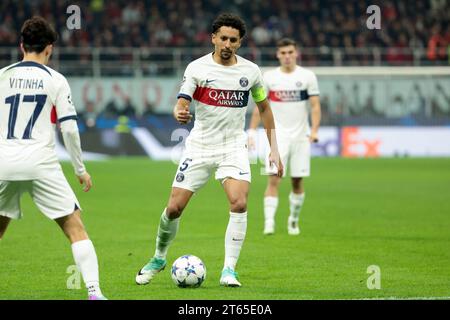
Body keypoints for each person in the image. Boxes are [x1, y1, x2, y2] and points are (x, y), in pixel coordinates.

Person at [136, 13, 283, 287]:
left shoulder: (251, 72)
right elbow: (182, 101)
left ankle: (229, 269)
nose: (227, 44)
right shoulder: (197, 68)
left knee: (239, 203)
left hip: (233, 147)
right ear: (213, 38)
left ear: (240, 43)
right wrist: (180, 112)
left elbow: (264, 107)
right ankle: (158, 256)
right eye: (223, 38)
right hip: (200, 146)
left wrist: (273, 148)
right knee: (174, 208)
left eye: (233, 40)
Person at [0, 16, 106, 300]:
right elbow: (69, 128)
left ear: (21, 45)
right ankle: (94, 293)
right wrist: (80, 169)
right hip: (40, 163)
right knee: (75, 227)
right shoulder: (55, 80)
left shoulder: (2, 76)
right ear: (50, 48)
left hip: (3, 164)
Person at [248, 38, 321, 236]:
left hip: (300, 137)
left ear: (296, 53)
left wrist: (314, 130)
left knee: (297, 181)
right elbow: (260, 108)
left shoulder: (307, 76)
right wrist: (252, 131)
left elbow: (315, 106)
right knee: (273, 179)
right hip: (277, 137)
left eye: (290, 52)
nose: (287, 56)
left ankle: (293, 220)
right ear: (278, 55)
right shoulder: (269, 77)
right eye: (283, 53)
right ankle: (269, 222)